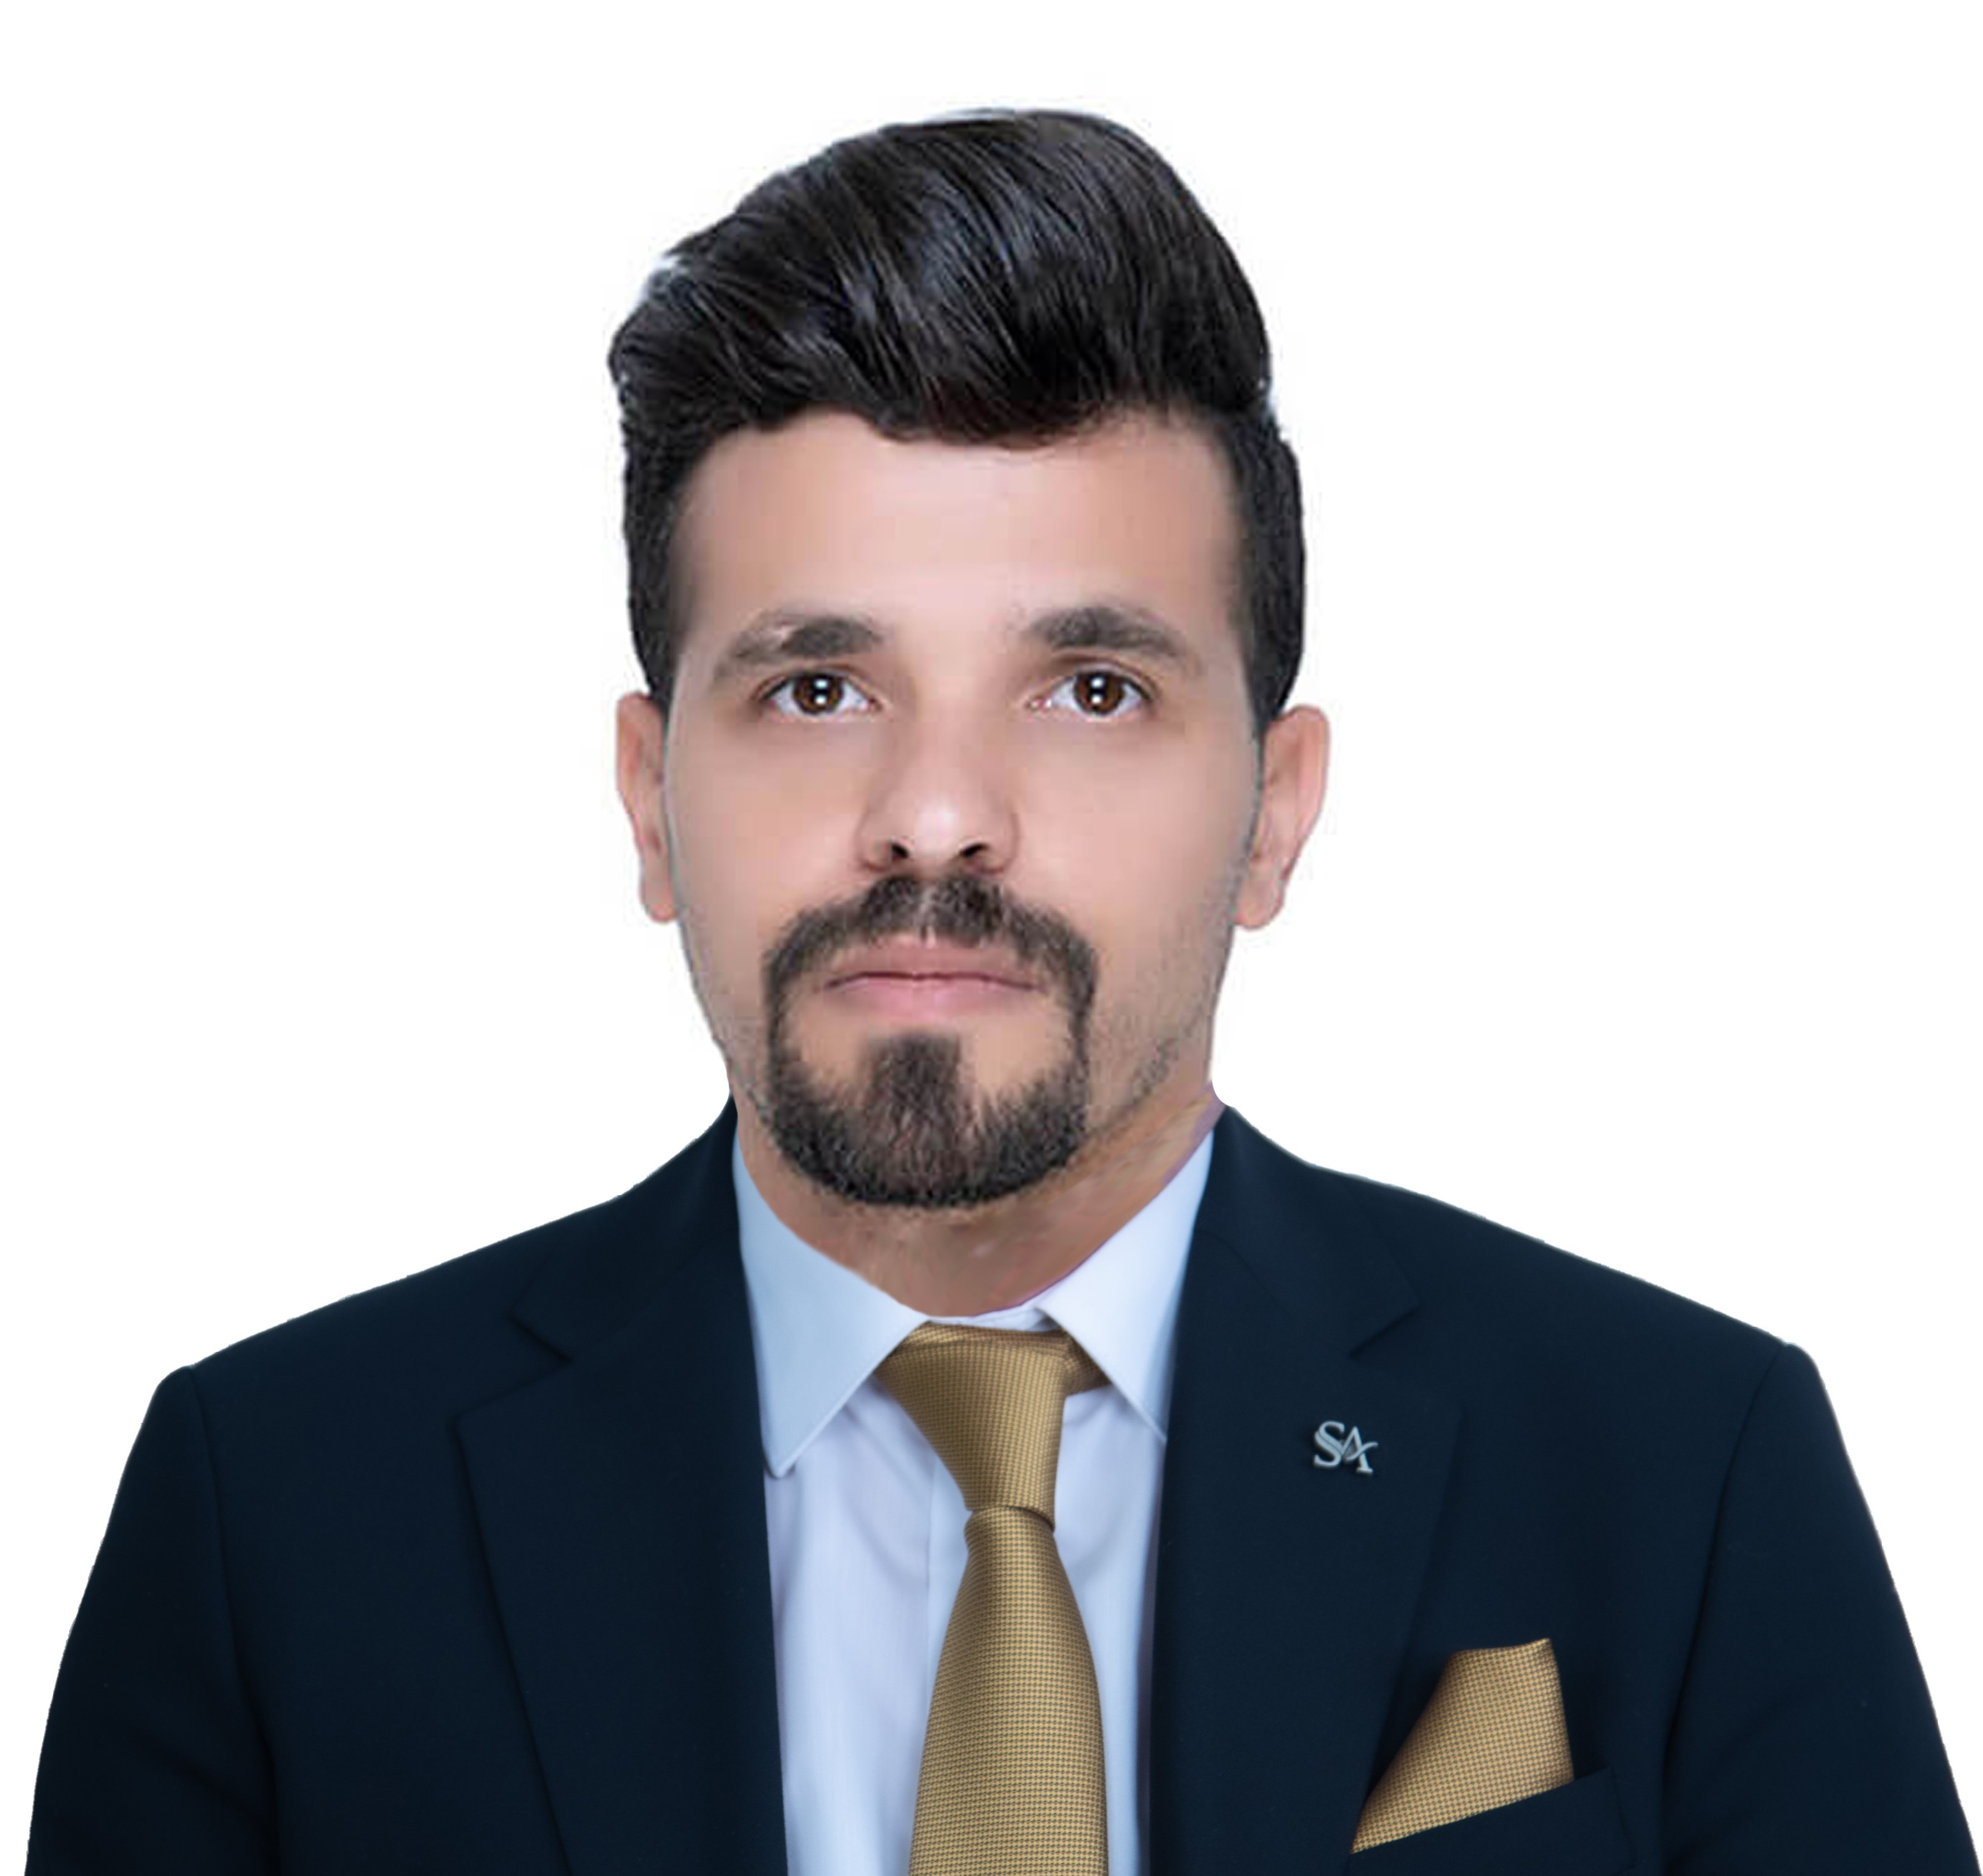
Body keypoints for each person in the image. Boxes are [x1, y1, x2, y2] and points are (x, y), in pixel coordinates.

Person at [27, 106, 1973, 1876]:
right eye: (817, 688)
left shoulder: (1687, 1470)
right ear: (647, 799)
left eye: (1093, 690)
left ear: (1276, 814)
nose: (937, 816)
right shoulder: (274, 1519)